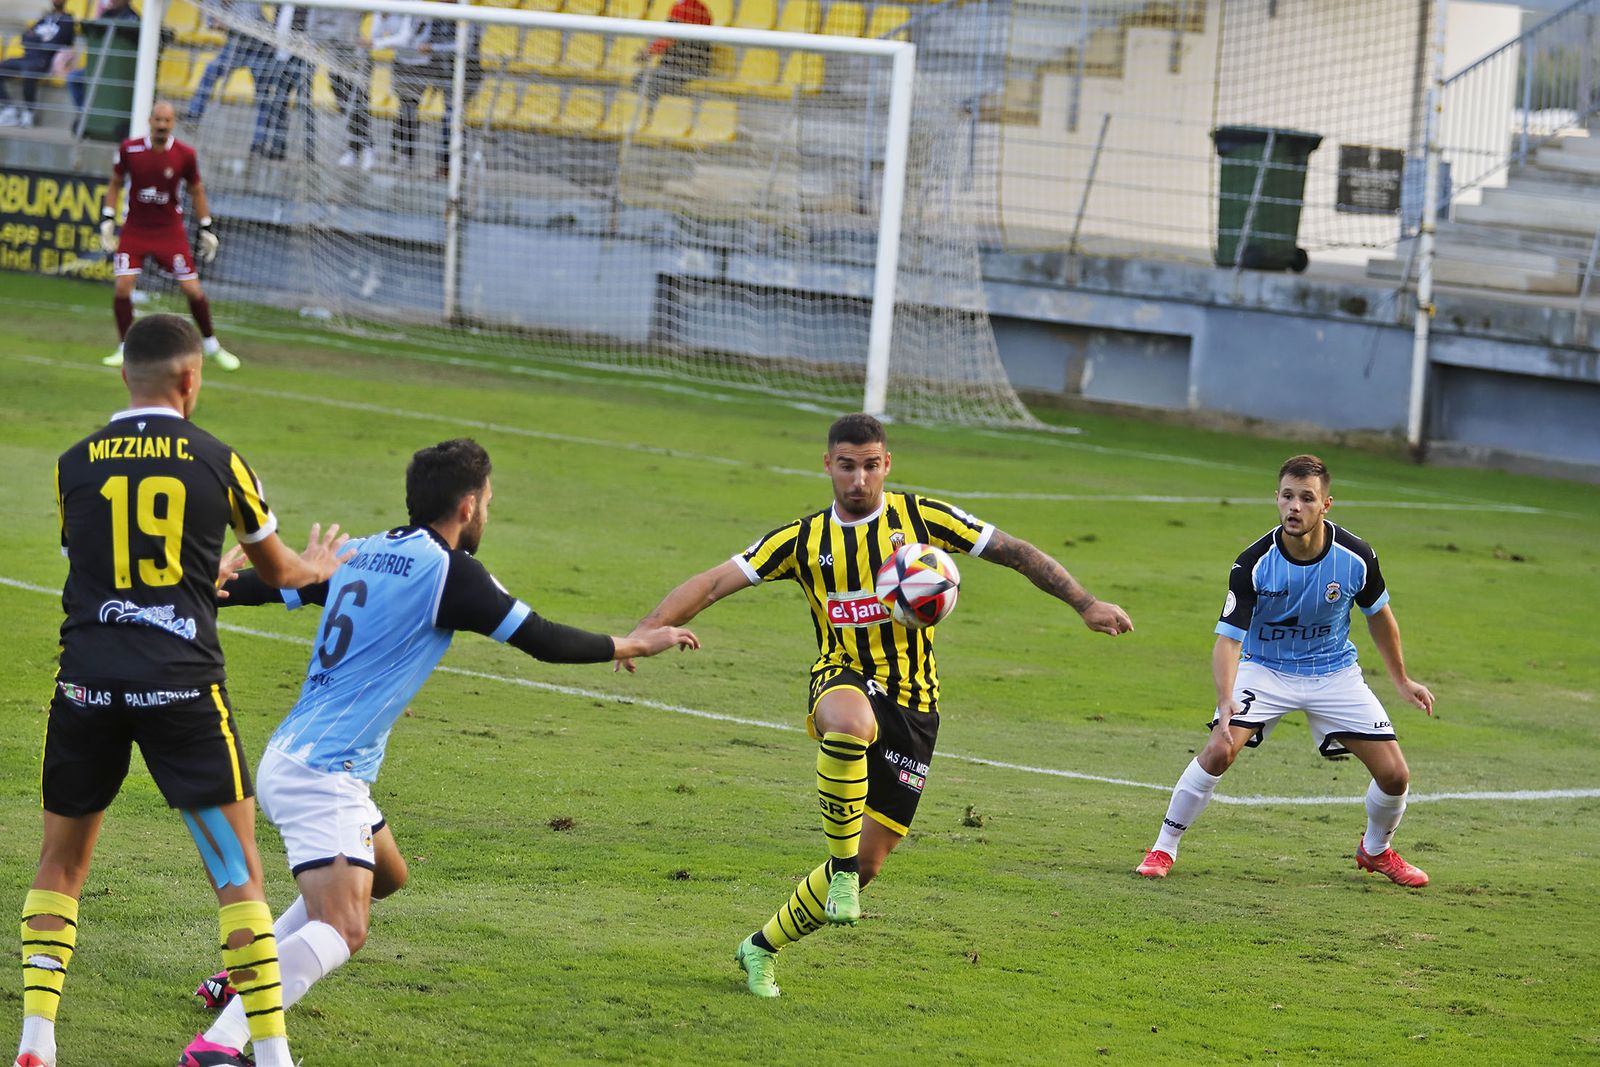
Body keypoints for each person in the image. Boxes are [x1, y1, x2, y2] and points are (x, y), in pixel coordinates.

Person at [179, 438, 699, 1066]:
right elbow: (542, 639)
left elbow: (264, 588)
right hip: (323, 772)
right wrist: (635, 643)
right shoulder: (451, 572)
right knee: (344, 927)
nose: (487, 513)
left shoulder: (362, 550)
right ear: (468, 505)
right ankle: (220, 1042)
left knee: (387, 875)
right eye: (488, 502)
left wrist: (202, 583)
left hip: (297, 754)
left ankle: (244, 977)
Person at [620, 412, 1133, 997]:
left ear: (886, 464)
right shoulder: (802, 540)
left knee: (870, 865)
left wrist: (1085, 603)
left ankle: (760, 948)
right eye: (846, 466)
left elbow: (1015, 552)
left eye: (870, 466)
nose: (858, 479)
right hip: (841, 674)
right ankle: (838, 869)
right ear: (828, 465)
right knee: (848, 725)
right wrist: (644, 631)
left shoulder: (922, 518)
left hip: (915, 704)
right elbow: (713, 583)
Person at [16, 313, 348, 1067]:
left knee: (60, 864)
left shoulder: (74, 464)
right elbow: (282, 572)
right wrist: (318, 566)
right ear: (192, 378)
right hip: (181, 693)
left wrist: (198, 572)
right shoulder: (219, 461)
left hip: (88, 687)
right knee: (237, 875)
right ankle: (272, 1056)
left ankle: (36, 1042)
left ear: (124, 374)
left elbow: (102, 568)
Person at [1134, 453, 1435, 887]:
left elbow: (1379, 616)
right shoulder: (1253, 563)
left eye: (1307, 498)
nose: (1295, 507)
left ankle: (1375, 850)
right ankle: (1163, 847)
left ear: (1326, 504)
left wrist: (1401, 680)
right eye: (1288, 497)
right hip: (1266, 670)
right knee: (1219, 751)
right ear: (1276, 498)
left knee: (1395, 775)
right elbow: (1228, 640)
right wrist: (1225, 700)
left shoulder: (1356, 556)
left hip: (1333, 672)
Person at [98, 101, 240, 372]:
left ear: (173, 123)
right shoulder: (130, 149)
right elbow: (115, 183)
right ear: (150, 120)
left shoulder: (185, 154)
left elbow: (196, 190)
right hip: (135, 229)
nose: (162, 125)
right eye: (158, 119)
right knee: (123, 286)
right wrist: (107, 217)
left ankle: (212, 346)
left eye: (167, 120)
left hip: (169, 232)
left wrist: (206, 227)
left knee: (192, 289)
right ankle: (124, 348)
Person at [184, 0, 273, 125]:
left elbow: (247, 24)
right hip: (233, 45)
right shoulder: (211, 1)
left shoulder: (248, 3)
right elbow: (211, 23)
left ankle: (262, 134)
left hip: (258, 46)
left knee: (262, 88)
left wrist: (226, 23)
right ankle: (193, 115)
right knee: (211, 70)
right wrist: (223, 24)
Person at [0, 0, 75, 128]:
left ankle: (29, 113)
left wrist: (36, 38)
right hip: (28, 57)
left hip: (45, 61)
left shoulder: (68, 21)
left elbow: (55, 44)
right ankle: (9, 109)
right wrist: (43, 40)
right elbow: (24, 38)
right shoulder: (45, 18)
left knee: (30, 71)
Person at [65, 0, 136, 119]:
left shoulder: (133, 18)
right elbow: (94, 33)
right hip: (98, 66)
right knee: (74, 77)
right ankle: (86, 116)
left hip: (119, 71)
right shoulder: (107, 14)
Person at [634, 0, 710, 102]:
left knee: (640, 81)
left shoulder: (682, 8)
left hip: (681, 68)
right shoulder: (703, 9)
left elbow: (669, 37)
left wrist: (648, 52)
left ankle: (654, 109)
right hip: (697, 67)